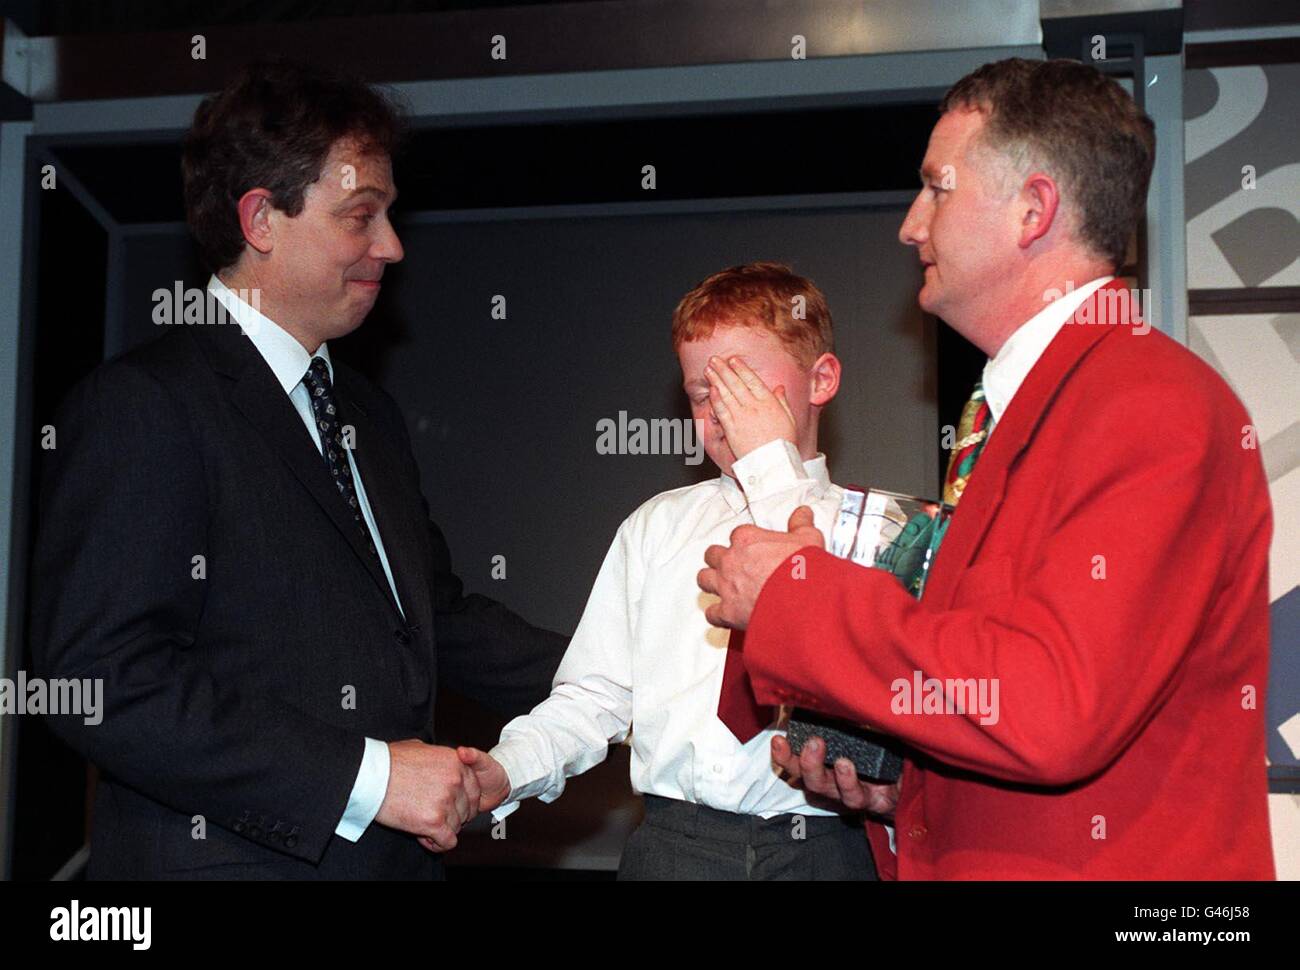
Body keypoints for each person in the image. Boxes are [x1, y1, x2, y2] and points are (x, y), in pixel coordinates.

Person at [698, 58, 1275, 879]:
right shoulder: (1028, 410)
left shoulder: (1151, 404)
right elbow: (1010, 695)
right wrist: (910, 801)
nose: (910, 224)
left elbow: (1050, 703)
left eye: (937, 188)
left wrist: (796, 593)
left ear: (1033, 210)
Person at [29, 59, 566, 880]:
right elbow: (101, 680)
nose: (390, 247)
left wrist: (634, 674)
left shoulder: (367, 413)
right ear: (261, 220)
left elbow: (436, 617)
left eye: (389, 216)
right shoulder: (146, 403)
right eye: (362, 215)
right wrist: (371, 777)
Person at [459, 262, 879, 879]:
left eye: (745, 390)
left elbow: (831, 631)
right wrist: (509, 767)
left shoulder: (872, 530)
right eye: (703, 396)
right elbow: (596, 694)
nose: (723, 416)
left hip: (822, 846)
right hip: (676, 844)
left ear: (820, 380)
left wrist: (770, 467)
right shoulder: (655, 528)